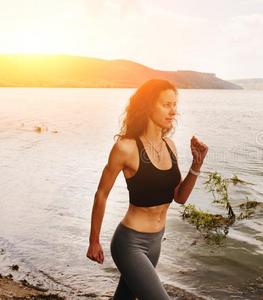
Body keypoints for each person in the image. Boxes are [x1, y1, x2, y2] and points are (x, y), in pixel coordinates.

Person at [86, 79, 208, 299]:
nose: (173, 111)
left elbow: (179, 197)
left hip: (155, 243)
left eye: (174, 105)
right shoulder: (126, 147)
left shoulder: (169, 146)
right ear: (148, 105)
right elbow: (101, 194)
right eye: (166, 104)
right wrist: (94, 241)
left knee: (125, 297)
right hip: (129, 243)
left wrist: (196, 166)